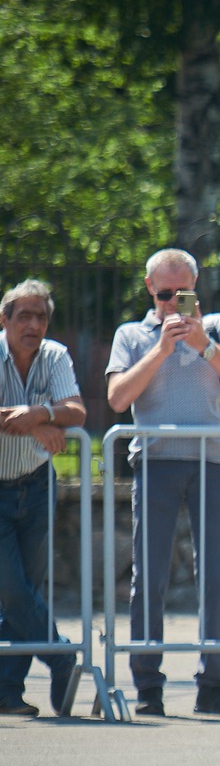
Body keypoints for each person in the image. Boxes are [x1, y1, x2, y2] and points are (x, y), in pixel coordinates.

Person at [106, 249, 220, 717]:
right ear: (150, 289)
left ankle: (212, 685)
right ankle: (148, 687)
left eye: (182, 293)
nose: (174, 303)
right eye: (165, 293)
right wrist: (162, 349)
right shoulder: (131, 334)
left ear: (196, 286)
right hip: (156, 463)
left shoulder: (217, 327)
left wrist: (204, 345)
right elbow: (117, 398)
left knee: (216, 577)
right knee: (148, 578)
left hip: (213, 462)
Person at [0, 280, 85, 717]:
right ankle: (60, 656)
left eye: (42, 317)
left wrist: (43, 413)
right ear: (5, 320)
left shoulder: (54, 356)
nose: (34, 325)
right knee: (11, 590)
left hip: (35, 484)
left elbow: (77, 411)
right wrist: (35, 423)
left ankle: (8, 693)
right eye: (24, 316)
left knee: (26, 590)